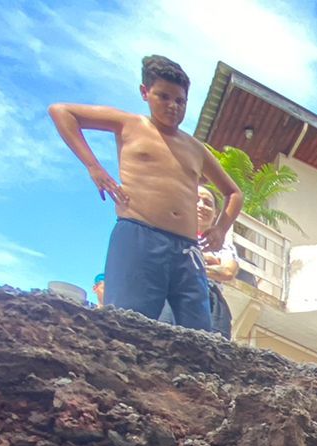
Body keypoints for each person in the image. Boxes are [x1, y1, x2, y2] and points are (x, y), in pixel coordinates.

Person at [48, 54, 242, 331]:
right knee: (128, 324)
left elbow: (233, 193)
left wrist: (221, 228)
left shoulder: (195, 148)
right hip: (139, 233)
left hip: (187, 248)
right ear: (144, 92)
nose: (173, 106)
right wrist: (94, 167)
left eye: (180, 101)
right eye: (164, 97)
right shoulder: (129, 124)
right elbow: (61, 111)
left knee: (200, 332)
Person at [196, 186, 240, 338]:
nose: (201, 206)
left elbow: (228, 272)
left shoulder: (223, 245)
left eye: (207, 203)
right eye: (196, 200)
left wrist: (189, 263)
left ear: (215, 214)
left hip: (211, 297)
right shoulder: (173, 234)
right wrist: (207, 260)